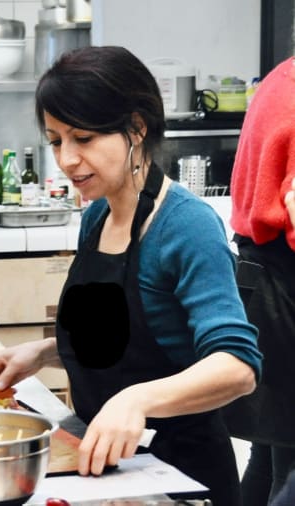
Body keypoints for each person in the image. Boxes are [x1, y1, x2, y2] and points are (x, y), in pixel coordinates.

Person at [0, 46, 261, 506]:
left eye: (83, 138)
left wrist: (137, 401)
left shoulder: (185, 227)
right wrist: (46, 352)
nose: (67, 159)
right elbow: (124, 340)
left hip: (180, 481)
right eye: (55, 141)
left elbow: (237, 366)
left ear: (136, 128)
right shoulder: (98, 218)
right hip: (109, 472)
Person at [222, 56, 295, 505]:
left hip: (260, 282)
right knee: (288, 473)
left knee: (270, 456)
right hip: (285, 288)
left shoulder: (281, 77)